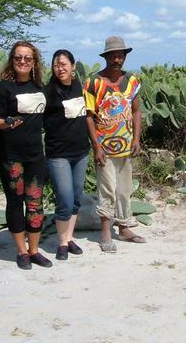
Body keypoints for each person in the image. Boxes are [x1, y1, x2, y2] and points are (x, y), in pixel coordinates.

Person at [0, 41, 52, 270]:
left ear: (34, 62)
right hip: (10, 156)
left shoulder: (41, 88)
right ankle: (21, 251)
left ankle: (35, 251)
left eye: (27, 58)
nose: (23, 61)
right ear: (12, 60)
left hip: (36, 155)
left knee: (35, 202)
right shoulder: (3, 88)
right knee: (15, 202)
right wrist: (7, 123)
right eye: (18, 58)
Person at [83, 36, 145, 252]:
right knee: (107, 189)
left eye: (120, 55)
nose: (117, 59)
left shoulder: (132, 81)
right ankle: (106, 231)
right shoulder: (93, 82)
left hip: (126, 145)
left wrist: (137, 139)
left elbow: (136, 111)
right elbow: (89, 116)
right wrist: (96, 146)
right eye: (113, 55)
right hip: (104, 146)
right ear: (106, 57)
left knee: (124, 189)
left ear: (125, 56)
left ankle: (125, 227)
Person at [44, 49, 91, 260]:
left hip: (81, 152)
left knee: (76, 198)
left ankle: (69, 238)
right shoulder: (48, 92)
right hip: (58, 154)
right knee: (64, 197)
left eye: (63, 64)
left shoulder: (81, 88)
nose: (60, 68)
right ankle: (62, 243)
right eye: (56, 64)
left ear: (73, 66)